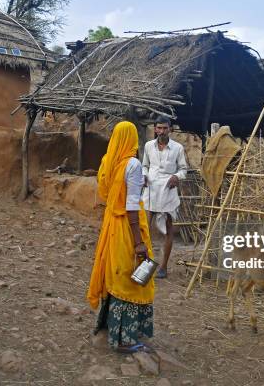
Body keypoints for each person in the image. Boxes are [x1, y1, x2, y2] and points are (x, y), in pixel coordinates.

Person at [87, 121, 155, 353]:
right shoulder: (133, 165)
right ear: (132, 139)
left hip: (111, 225)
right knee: (130, 278)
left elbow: (107, 193)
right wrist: (138, 241)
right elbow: (131, 205)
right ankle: (125, 339)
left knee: (114, 273)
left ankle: (108, 326)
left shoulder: (108, 161)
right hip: (127, 227)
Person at [142, 116, 188, 279]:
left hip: (168, 191)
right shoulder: (148, 146)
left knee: (168, 231)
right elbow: (145, 166)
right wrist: (144, 176)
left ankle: (163, 267)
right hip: (151, 191)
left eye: (165, 128)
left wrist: (176, 177)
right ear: (155, 129)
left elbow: (183, 169)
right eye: (159, 128)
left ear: (171, 130)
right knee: (145, 230)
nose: (161, 131)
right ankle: (144, 267)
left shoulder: (178, 148)